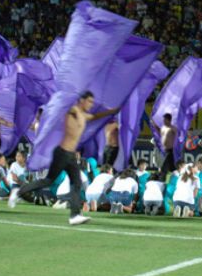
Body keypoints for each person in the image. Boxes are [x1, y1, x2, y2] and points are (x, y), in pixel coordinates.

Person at [9, 91, 120, 225]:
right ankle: (19, 191)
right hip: (62, 153)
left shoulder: (84, 115)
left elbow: (96, 116)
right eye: (89, 101)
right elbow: (67, 109)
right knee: (48, 181)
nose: (91, 104)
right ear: (82, 100)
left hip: (71, 155)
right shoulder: (73, 110)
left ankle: (74, 215)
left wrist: (112, 111)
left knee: (77, 182)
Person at [152, 113, 177, 179]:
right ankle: (166, 180)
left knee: (166, 168)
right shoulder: (163, 128)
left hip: (171, 151)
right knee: (171, 168)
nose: (163, 121)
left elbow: (179, 136)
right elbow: (160, 131)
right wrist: (155, 125)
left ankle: (162, 180)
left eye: (165, 119)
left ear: (169, 120)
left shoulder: (173, 128)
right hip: (165, 150)